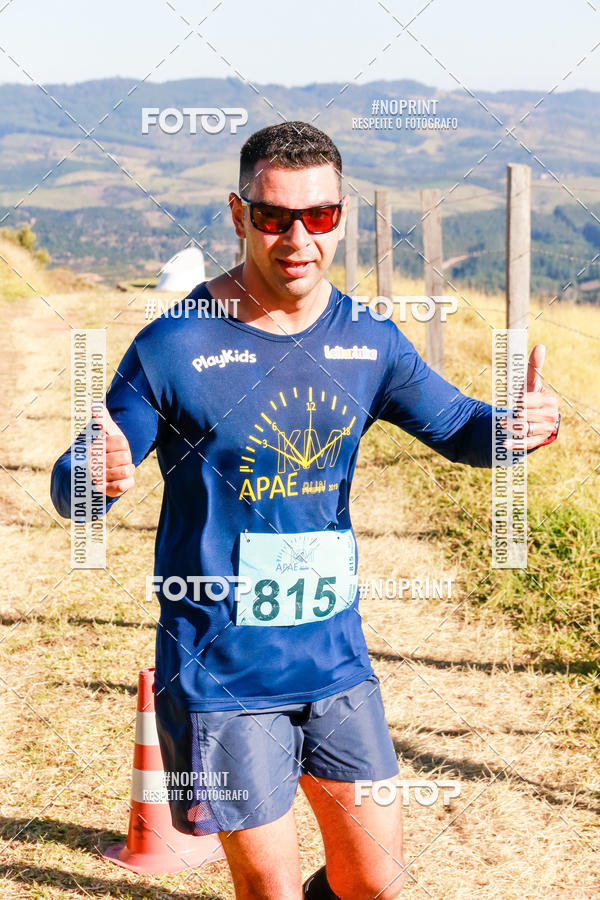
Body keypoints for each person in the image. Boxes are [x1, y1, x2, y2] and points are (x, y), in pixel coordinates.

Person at [51, 121, 560, 900]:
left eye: (318, 216)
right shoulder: (175, 345)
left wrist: (520, 429)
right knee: (272, 893)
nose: (297, 237)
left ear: (341, 216)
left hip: (335, 659)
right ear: (237, 213)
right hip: (224, 670)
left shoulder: (369, 338)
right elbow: (74, 481)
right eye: (274, 216)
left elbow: (464, 430)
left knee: (377, 879)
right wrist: (94, 472)